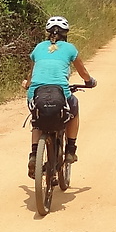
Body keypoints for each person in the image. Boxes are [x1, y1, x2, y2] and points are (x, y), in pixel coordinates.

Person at [24, 16, 95, 177]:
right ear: (66, 33)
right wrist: (89, 81)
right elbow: (83, 72)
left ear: (48, 32)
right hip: (60, 93)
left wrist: (27, 84)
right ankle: (70, 150)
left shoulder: (39, 47)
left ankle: (34, 154)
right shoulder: (70, 49)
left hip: (36, 93)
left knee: (36, 120)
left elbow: (32, 73)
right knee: (73, 109)